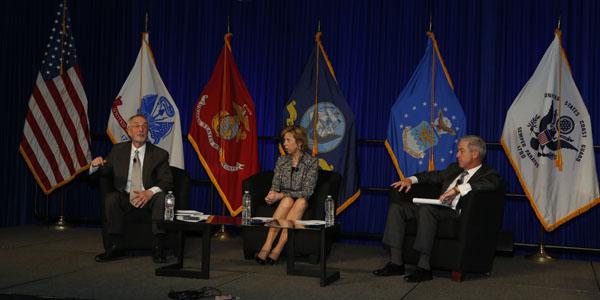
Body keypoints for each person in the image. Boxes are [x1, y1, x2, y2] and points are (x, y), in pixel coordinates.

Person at [373, 135, 503, 282]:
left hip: (457, 213)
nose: (457, 155)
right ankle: (396, 263)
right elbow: (432, 176)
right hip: (438, 208)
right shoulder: (454, 169)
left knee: (426, 210)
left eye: (461, 151)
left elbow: (491, 184)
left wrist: (458, 189)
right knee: (398, 208)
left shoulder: (489, 173)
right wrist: (410, 180)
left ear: (474, 154)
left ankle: (424, 267)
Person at [91, 114, 173, 263]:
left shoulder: (159, 154)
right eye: (136, 125)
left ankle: (158, 247)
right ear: (129, 131)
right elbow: (105, 170)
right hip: (126, 197)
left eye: (144, 126)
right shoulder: (118, 150)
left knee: (161, 197)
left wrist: (149, 192)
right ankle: (114, 246)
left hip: (149, 199)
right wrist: (95, 165)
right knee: (111, 198)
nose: (141, 129)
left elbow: (167, 180)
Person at [255, 125, 319, 265]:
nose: (285, 144)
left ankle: (278, 248)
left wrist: (281, 195)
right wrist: (272, 195)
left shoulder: (312, 163)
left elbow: (307, 191)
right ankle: (267, 245)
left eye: (288, 140)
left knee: (300, 201)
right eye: (284, 140)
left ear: (300, 143)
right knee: (287, 201)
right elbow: (275, 185)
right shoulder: (282, 161)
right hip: (285, 202)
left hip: (302, 201)